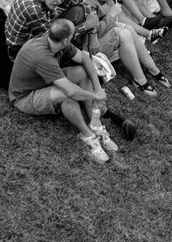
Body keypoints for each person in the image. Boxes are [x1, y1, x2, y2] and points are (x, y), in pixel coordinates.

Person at [7, 17, 115, 163]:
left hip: (44, 82)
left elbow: (85, 59)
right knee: (66, 94)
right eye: (72, 36)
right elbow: (70, 91)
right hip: (25, 97)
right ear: (65, 40)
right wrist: (94, 95)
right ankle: (88, 135)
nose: (74, 37)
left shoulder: (56, 40)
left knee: (83, 72)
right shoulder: (41, 55)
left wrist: (98, 89)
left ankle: (94, 122)